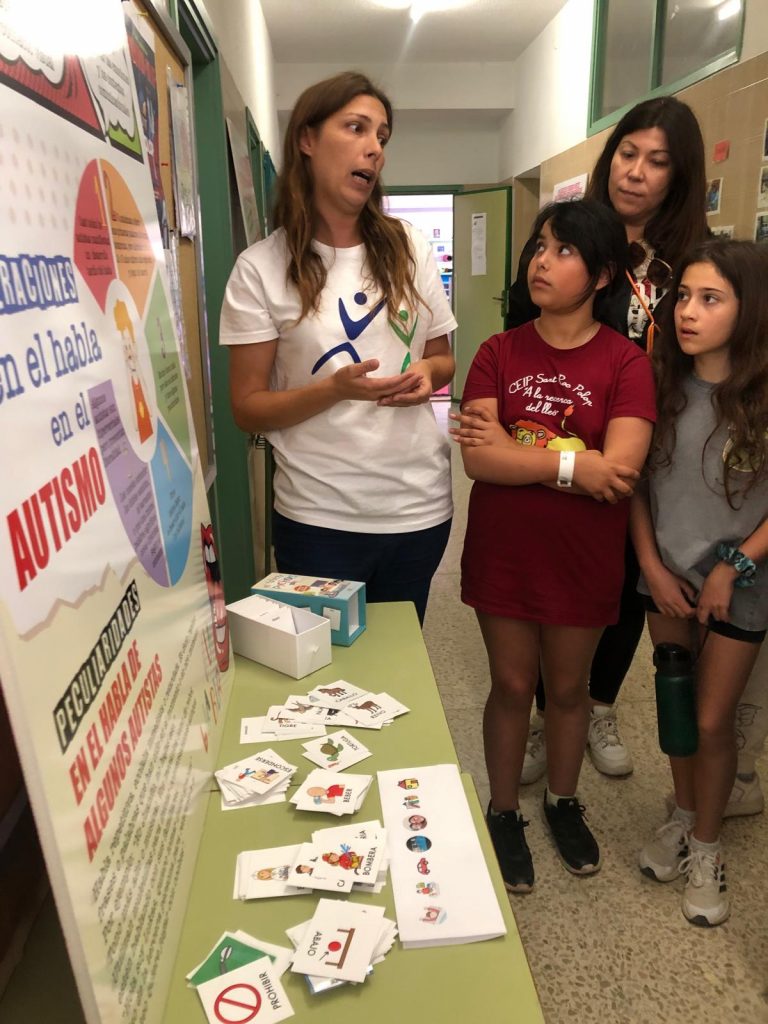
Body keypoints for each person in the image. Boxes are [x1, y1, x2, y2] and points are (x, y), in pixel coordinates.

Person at [450, 200, 656, 891]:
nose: (541, 261)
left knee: (569, 691)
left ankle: (564, 801)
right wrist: (575, 466)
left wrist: (524, 455)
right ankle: (503, 809)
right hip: (505, 553)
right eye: (540, 246)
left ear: (602, 274)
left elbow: (618, 473)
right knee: (512, 685)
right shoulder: (498, 352)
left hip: (582, 559)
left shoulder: (626, 363)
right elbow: (479, 460)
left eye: (563, 250)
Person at [507, 96, 709, 782]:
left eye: (657, 162)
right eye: (627, 153)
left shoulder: (691, 260)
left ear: (679, 176)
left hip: (656, 448)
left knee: (626, 584)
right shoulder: (571, 237)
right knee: (559, 573)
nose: (635, 172)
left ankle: (598, 705)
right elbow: (520, 330)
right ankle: (547, 712)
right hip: (564, 441)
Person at [219, 72, 456, 626]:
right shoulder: (260, 268)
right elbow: (247, 408)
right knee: (324, 669)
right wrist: (333, 390)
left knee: (398, 663)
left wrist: (427, 372)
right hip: (317, 517)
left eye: (382, 136)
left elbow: (444, 359)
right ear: (307, 139)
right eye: (356, 128)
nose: (374, 148)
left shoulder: (409, 248)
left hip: (417, 509)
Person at [633, 240, 768, 927]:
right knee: (677, 710)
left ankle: (709, 849)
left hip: (740, 584)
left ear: (748, 309)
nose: (687, 311)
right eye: (682, 296)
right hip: (665, 580)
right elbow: (635, 488)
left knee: (714, 721)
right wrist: (653, 569)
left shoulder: (761, 397)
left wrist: (730, 567)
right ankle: (685, 816)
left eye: (710, 299)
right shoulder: (657, 385)